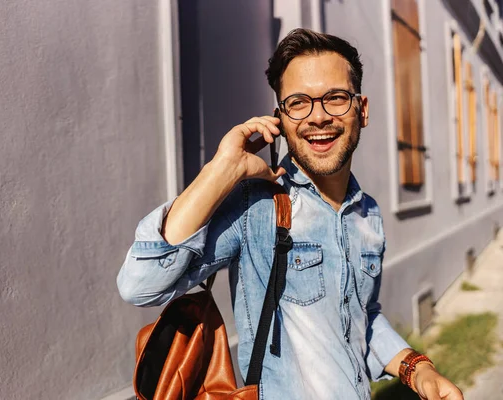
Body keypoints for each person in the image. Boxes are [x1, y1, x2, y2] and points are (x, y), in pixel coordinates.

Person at [117, 29, 463, 400]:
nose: (318, 117)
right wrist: (222, 170)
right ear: (280, 118)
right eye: (299, 102)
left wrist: (417, 370)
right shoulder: (256, 207)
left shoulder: (368, 214)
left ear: (361, 110)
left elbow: (360, 315)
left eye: (335, 98)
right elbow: (140, 285)